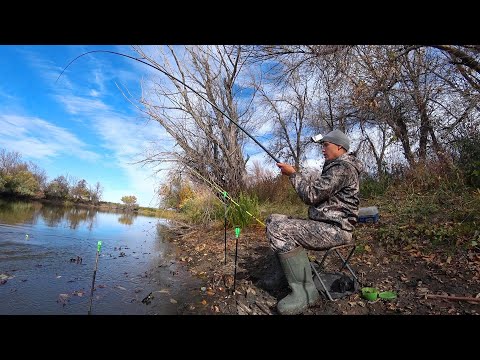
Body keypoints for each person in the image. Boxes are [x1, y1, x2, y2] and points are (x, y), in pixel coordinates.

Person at [266, 129, 363, 315]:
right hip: (325, 225)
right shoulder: (336, 167)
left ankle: (305, 293)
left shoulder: (343, 168)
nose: (323, 149)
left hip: (334, 230)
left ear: (340, 147)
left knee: (278, 229)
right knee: (273, 219)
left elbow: (311, 195)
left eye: (326, 145)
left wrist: (293, 174)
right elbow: (317, 191)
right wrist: (294, 174)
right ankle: (285, 276)